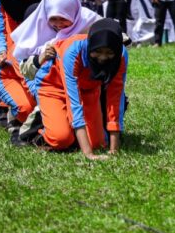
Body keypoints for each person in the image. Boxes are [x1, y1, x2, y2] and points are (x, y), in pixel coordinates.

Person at [29, 19, 128, 157]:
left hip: (89, 89)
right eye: (98, 51)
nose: (103, 58)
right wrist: (89, 154)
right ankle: (40, 124)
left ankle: (68, 128)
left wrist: (114, 150)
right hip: (53, 87)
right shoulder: (72, 51)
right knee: (61, 139)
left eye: (109, 53)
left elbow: (115, 97)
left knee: (98, 143)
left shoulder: (121, 55)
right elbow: (73, 102)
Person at [0, 0, 49, 133]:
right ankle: (8, 109)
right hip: (14, 49)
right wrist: (2, 50)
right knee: (27, 108)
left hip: (41, 46)